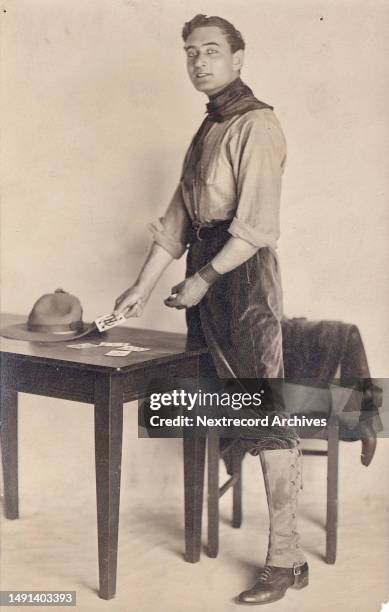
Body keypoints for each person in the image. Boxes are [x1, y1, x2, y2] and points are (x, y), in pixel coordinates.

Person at [114, 14, 309, 605]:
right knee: (214, 404)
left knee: (265, 412)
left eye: (212, 51)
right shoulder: (208, 130)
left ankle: (285, 560)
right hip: (207, 281)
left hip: (243, 282)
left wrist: (200, 280)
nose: (199, 62)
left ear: (239, 57)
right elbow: (177, 224)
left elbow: (255, 229)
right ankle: (241, 545)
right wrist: (141, 290)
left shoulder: (257, 125)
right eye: (190, 53)